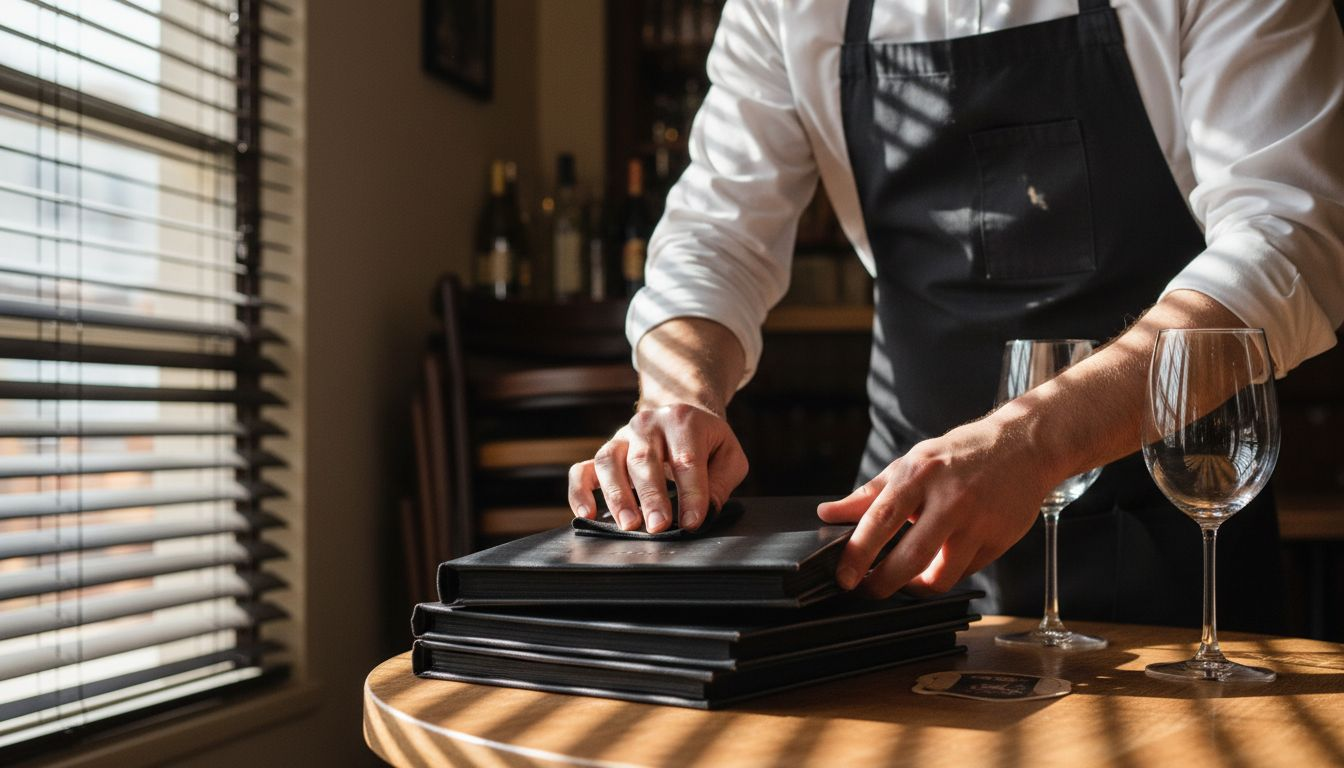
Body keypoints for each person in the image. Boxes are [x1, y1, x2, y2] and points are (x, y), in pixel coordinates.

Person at [567, 0, 1344, 632]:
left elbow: (1289, 241)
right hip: (905, 544)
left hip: (1178, 538)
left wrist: (1033, 441)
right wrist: (682, 393)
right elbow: (716, 235)